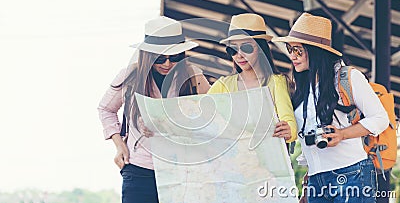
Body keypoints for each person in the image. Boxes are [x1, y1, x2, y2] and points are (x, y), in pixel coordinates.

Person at [272, 12, 389, 203]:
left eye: (298, 50)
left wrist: (342, 134)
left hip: (352, 174)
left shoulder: (347, 77)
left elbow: (380, 119)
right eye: (289, 49)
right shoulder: (303, 87)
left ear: (315, 51)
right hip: (317, 180)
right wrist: (310, 180)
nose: (292, 55)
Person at [98, 16, 210, 203]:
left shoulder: (193, 76)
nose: (167, 64)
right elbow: (105, 109)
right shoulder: (129, 76)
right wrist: (119, 145)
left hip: (183, 171)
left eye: (174, 57)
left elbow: (213, 116)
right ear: (148, 54)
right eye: (160, 58)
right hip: (139, 169)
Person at [208, 13, 297, 143]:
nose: (239, 55)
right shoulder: (222, 85)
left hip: (269, 157)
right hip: (234, 158)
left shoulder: (276, 82)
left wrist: (288, 130)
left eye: (246, 47)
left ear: (261, 48)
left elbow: (289, 121)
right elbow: (202, 115)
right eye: (233, 50)